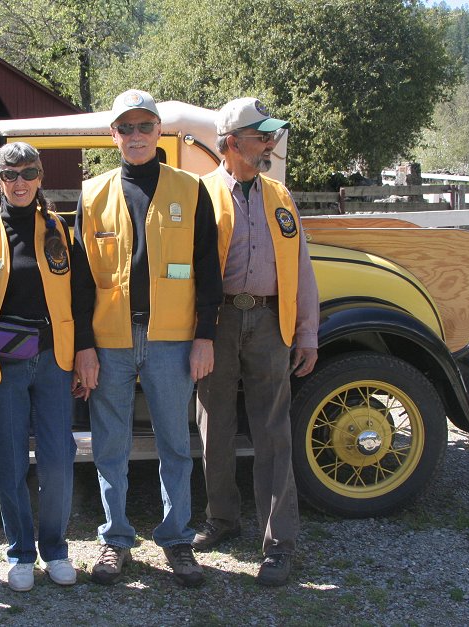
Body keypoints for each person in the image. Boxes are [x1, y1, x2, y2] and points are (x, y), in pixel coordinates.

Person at [71, 89, 223, 588]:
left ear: (160, 131)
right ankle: (115, 541)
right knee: (109, 445)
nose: (135, 136)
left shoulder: (190, 189)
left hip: (173, 339)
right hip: (109, 340)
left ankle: (177, 539)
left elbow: (207, 269)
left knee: (176, 444)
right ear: (112, 135)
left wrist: (205, 336)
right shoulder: (93, 194)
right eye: (125, 128)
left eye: (144, 126)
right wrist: (83, 347)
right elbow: (78, 279)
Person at [192, 97, 319, 587]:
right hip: (215, 323)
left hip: (269, 323)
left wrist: (306, 332)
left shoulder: (281, 196)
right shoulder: (198, 194)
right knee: (213, 424)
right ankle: (222, 518)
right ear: (230, 144)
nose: (269, 143)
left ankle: (279, 544)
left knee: (273, 432)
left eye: (269, 135)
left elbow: (300, 269)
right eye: (259, 135)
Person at [0, 142, 77, 592]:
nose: (20, 182)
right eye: (11, 175)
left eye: (29, 173)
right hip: (1, 366)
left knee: (59, 461)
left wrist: (81, 355)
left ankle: (56, 549)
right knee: (8, 461)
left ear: (41, 177)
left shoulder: (59, 229)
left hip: (52, 362)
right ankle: (21, 552)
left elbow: (78, 296)